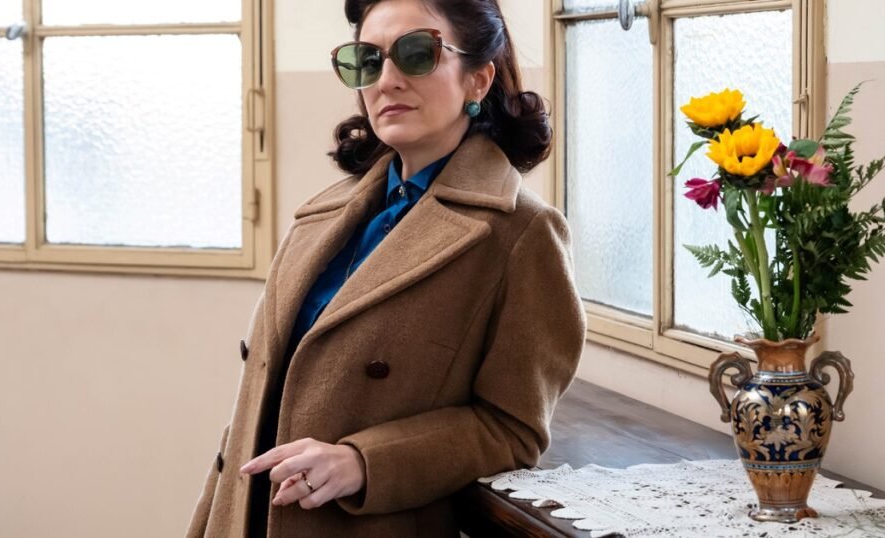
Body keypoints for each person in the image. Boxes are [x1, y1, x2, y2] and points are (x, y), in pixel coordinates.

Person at [185, 0, 586, 536]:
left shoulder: (522, 234)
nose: (387, 80)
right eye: (367, 61)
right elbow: (256, 407)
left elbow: (511, 430)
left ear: (478, 78)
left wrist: (363, 462)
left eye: (417, 53)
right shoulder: (323, 215)